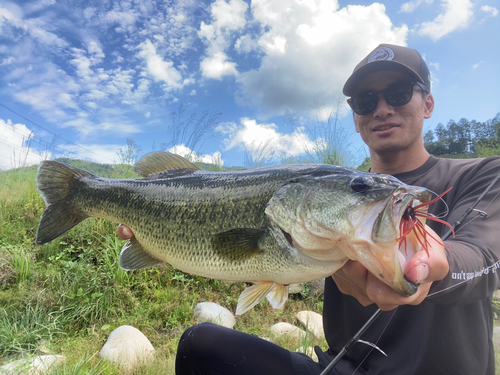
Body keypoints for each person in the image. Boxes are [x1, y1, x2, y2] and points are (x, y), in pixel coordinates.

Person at [117, 44, 500, 374]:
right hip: (341, 370)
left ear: (428, 103)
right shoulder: (333, 187)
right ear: (355, 118)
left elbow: (485, 256)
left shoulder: (483, 173)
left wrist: (442, 267)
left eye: (398, 93)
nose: (382, 108)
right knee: (200, 345)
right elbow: (244, 252)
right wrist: (166, 238)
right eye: (366, 101)